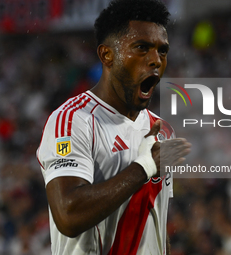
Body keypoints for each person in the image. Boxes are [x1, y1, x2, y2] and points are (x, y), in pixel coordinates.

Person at [36, 0, 191, 254]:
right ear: (107, 55)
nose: (155, 60)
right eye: (142, 48)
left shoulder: (163, 131)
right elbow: (68, 215)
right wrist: (145, 166)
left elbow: (155, 223)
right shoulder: (73, 120)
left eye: (162, 51)